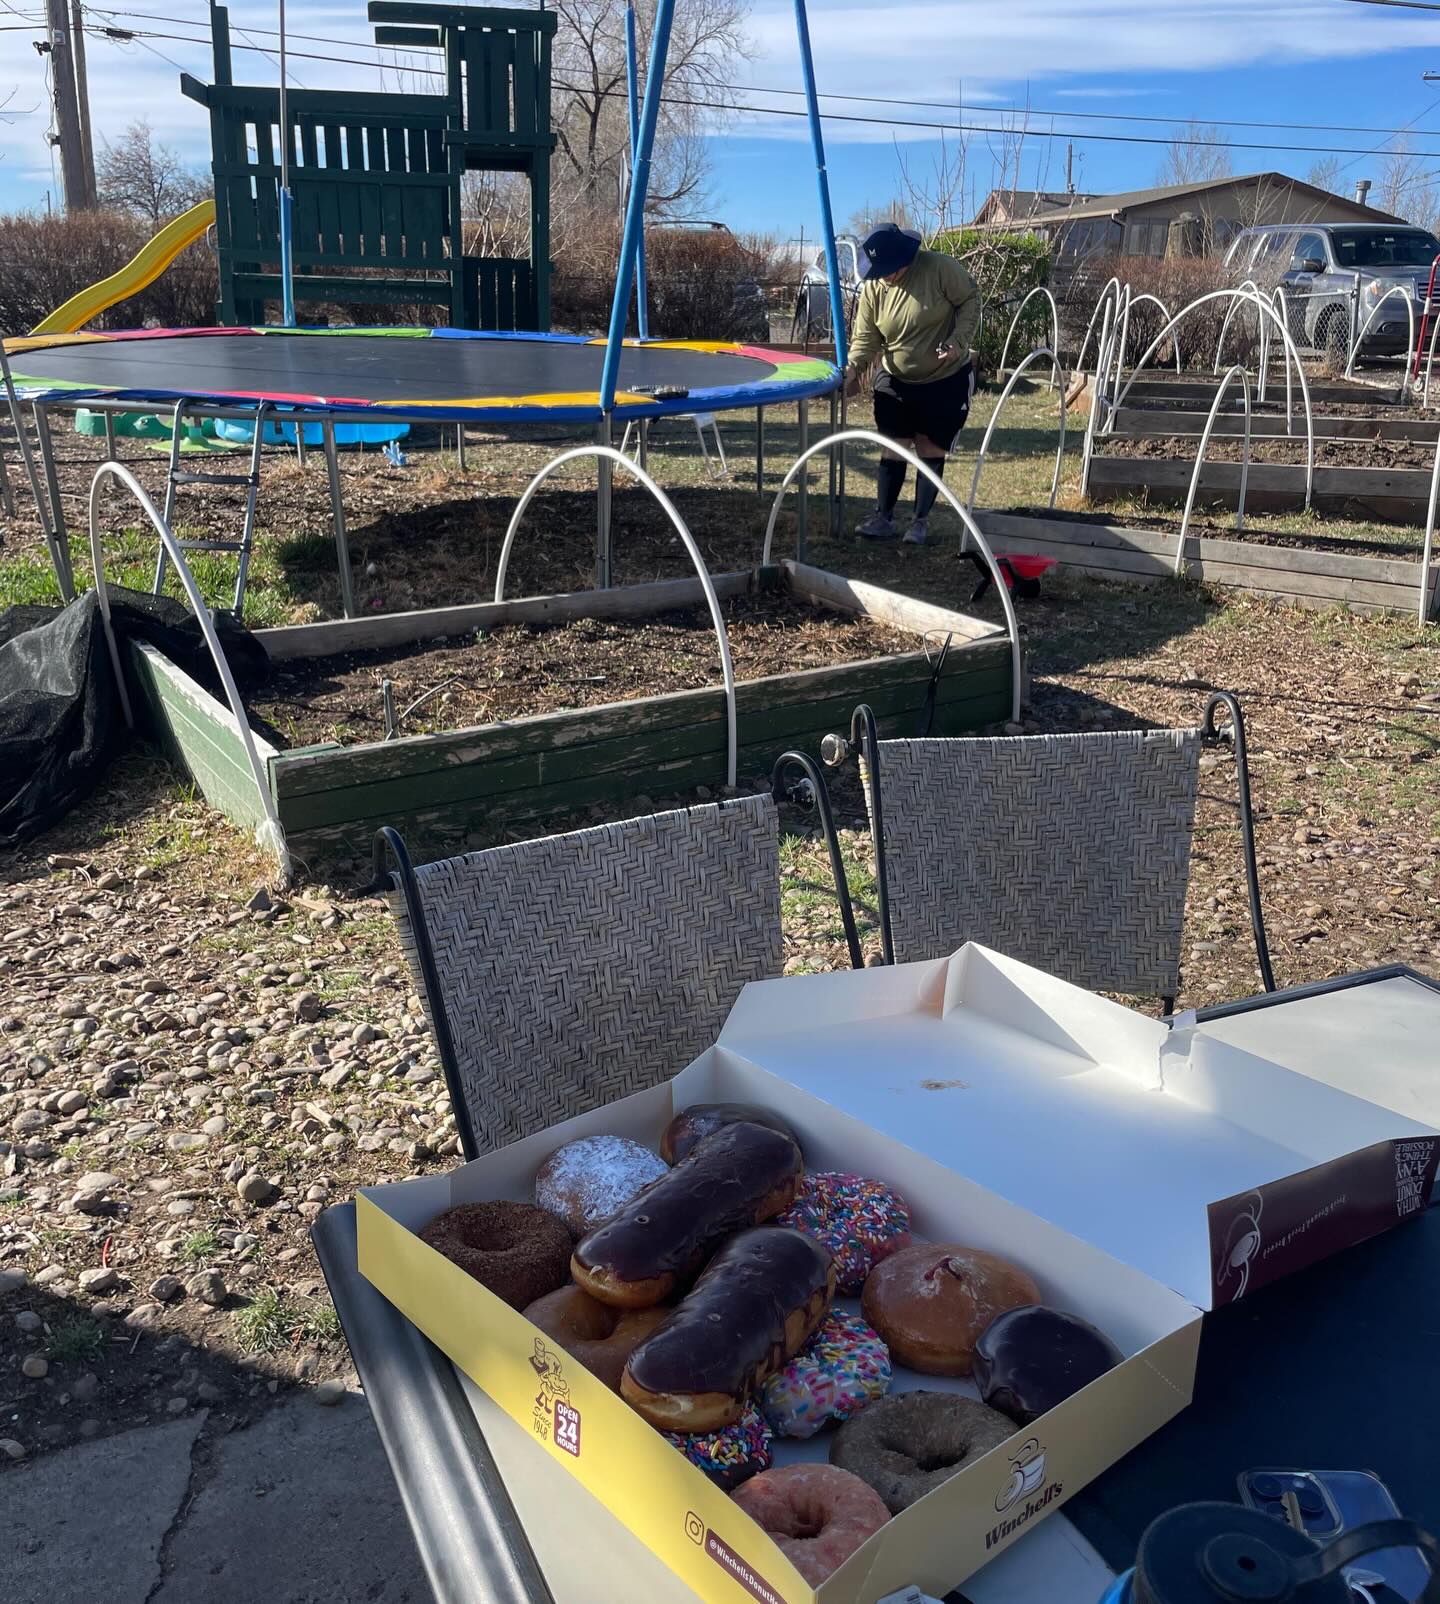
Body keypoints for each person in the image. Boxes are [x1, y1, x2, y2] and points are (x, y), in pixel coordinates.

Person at [843, 223, 981, 546]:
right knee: (893, 445)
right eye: (879, 272)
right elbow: (866, 337)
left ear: (905, 258)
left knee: (929, 446)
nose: (886, 277)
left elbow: (970, 301)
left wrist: (957, 342)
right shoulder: (875, 288)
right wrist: (852, 369)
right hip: (895, 378)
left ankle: (920, 521)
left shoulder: (939, 269)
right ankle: (883, 517)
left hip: (944, 378)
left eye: (890, 270)